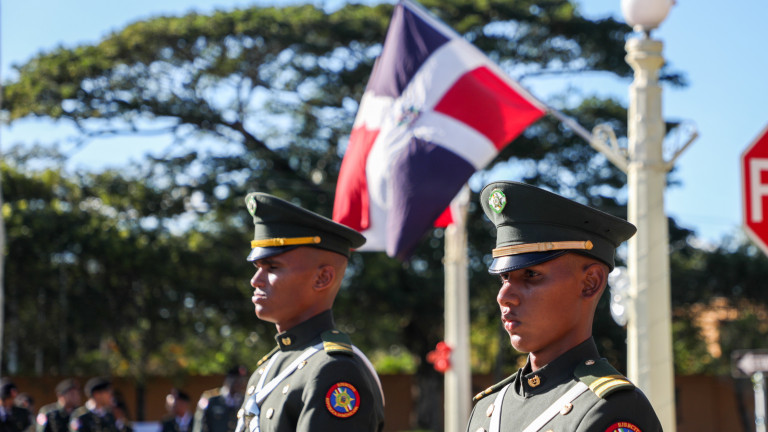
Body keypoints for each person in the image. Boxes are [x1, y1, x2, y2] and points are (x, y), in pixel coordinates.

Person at [466, 181, 662, 432]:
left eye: (531, 275)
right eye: (504, 277)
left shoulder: (613, 408)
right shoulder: (488, 409)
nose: (504, 296)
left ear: (590, 283)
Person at [234, 192, 385, 432]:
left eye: (272, 267)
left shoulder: (334, 370)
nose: (256, 280)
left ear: (323, 278)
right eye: (257, 267)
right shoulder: (268, 369)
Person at [192, 366, 247, 432]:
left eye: (242, 380)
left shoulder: (244, 400)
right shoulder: (210, 398)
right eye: (236, 380)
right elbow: (200, 425)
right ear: (228, 379)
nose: (239, 383)